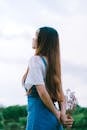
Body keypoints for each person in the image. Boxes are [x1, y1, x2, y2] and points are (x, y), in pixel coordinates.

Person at [22, 27, 73, 130]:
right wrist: (61, 114)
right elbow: (61, 95)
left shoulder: (35, 60)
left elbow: (42, 92)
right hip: (54, 121)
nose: (33, 38)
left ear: (42, 41)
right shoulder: (53, 64)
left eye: (36, 36)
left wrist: (58, 114)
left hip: (38, 119)